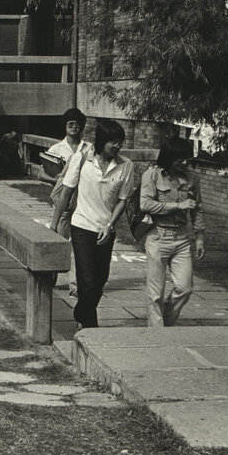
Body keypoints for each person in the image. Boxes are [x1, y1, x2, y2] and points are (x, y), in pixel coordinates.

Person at [51, 119, 135, 329]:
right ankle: (90, 328)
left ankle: (80, 312)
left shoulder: (126, 166)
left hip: (106, 229)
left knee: (100, 281)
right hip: (81, 227)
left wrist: (110, 225)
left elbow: (123, 200)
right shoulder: (81, 159)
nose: (117, 146)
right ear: (101, 141)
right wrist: (54, 225)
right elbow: (66, 192)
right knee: (86, 281)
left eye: (120, 142)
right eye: (113, 142)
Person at [139, 137, 206, 327]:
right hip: (158, 236)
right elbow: (145, 204)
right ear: (169, 158)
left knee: (185, 288)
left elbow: (197, 208)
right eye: (180, 159)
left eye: (188, 159)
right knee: (155, 293)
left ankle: (165, 323)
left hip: (182, 239)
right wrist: (177, 206)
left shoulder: (193, 178)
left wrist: (199, 238)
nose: (185, 163)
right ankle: (157, 334)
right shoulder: (152, 175)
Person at [39, 107, 93, 300]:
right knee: (60, 242)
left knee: (80, 245)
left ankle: (75, 285)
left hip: (83, 203)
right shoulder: (56, 149)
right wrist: (60, 181)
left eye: (77, 125)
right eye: (70, 124)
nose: (74, 128)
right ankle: (51, 273)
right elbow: (40, 173)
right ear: (65, 126)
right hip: (63, 203)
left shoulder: (88, 149)